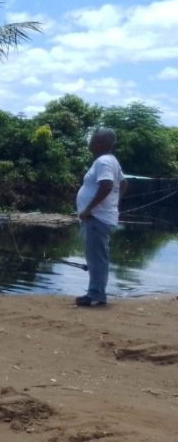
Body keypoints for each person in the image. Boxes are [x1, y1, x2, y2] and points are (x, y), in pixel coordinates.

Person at [75, 127, 127, 307]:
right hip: (102, 217)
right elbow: (124, 183)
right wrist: (113, 204)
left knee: (96, 258)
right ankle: (96, 292)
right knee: (97, 257)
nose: (89, 142)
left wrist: (89, 209)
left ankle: (96, 294)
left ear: (99, 143)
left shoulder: (104, 161)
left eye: (92, 139)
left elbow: (106, 185)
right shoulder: (111, 160)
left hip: (96, 219)